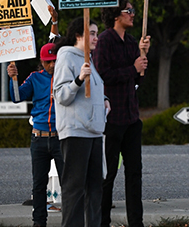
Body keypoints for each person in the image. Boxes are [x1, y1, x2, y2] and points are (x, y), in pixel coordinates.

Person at [94, 0, 151, 227]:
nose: (133, 14)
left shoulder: (130, 42)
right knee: (107, 176)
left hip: (131, 118)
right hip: (111, 119)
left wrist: (143, 57)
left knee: (134, 174)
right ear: (116, 15)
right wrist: (133, 68)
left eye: (133, 10)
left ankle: (136, 222)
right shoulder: (105, 41)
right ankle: (102, 221)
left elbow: (137, 78)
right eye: (129, 10)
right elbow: (102, 75)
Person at [7, 7, 63, 226]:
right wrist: (13, 78)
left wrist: (55, 21)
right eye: (49, 61)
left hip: (60, 136)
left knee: (68, 183)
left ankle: (71, 220)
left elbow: (55, 39)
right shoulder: (34, 78)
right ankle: (39, 222)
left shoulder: (65, 76)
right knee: (38, 185)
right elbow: (17, 97)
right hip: (38, 138)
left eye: (55, 61)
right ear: (42, 61)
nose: (52, 65)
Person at [53, 17, 109, 227]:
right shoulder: (67, 56)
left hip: (94, 131)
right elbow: (60, 95)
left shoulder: (89, 59)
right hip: (76, 131)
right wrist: (77, 80)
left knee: (95, 188)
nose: (96, 38)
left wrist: (104, 100)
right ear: (78, 35)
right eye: (92, 33)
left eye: (96, 33)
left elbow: (93, 89)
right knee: (75, 188)